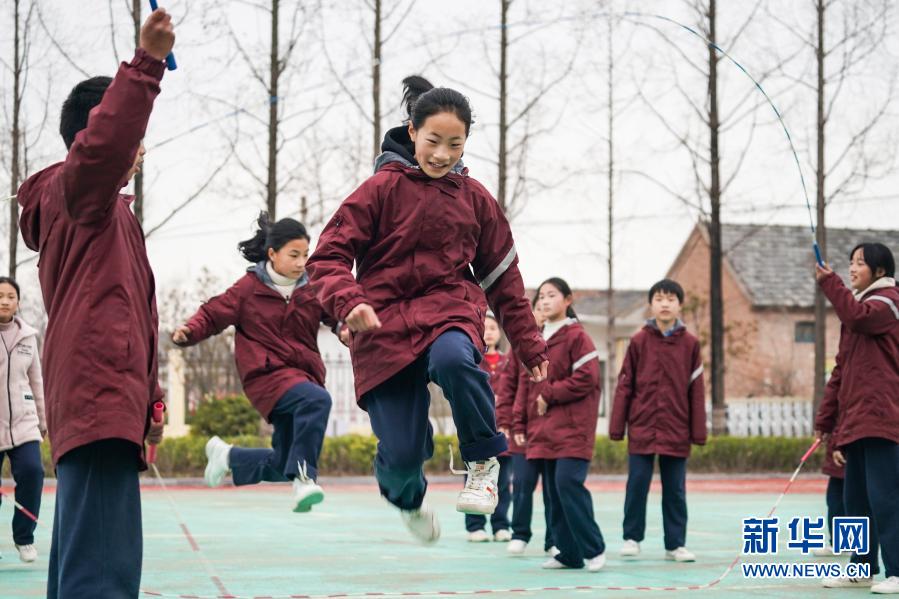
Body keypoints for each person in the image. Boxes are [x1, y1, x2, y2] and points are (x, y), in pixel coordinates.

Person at [306, 75, 548, 544]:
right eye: (433, 141)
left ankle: (482, 462)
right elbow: (328, 258)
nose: (442, 155)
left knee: (455, 358)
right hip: (382, 325)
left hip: (448, 310)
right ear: (413, 132)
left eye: (455, 145)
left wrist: (529, 342)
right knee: (401, 454)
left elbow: (503, 279)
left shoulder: (475, 199)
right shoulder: (377, 191)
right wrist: (348, 302)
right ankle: (408, 497)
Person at [16, 8, 174, 597]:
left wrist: (150, 401)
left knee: (85, 553)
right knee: (103, 569)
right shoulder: (81, 193)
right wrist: (146, 65)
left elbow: (131, 314)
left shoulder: (101, 215)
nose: (140, 152)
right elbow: (101, 150)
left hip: (106, 396)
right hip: (98, 392)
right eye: (134, 139)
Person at [173, 213, 339, 512]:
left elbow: (334, 315)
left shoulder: (311, 287)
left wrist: (347, 330)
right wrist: (189, 332)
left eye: (305, 255)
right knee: (318, 402)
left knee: (280, 464)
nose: (302, 262)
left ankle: (227, 456)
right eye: (294, 255)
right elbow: (213, 314)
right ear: (272, 254)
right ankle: (305, 478)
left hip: (303, 376)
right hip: (266, 375)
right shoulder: (248, 289)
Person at [815, 242, 899, 593]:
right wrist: (826, 422)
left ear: (880, 271)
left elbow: (856, 316)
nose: (852, 269)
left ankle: (896, 570)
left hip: (882, 418)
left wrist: (829, 282)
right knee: (856, 500)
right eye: (850, 263)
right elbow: (841, 370)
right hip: (855, 421)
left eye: (860, 263)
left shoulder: (888, 303)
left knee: (886, 497)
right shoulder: (858, 309)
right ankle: (861, 566)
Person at [609, 278, 706, 563]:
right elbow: (625, 385)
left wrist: (697, 432)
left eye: (671, 299)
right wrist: (618, 427)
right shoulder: (638, 341)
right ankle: (631, 538)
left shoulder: (690, 344)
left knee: (675, 490)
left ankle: (676, 544)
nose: (665, 304)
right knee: (637, 485)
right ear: (651, 305)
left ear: (680, 304)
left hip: (677, 428)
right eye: (659, 299)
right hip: (642, 426)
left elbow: (696, 390)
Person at [514, 277, 605, 572]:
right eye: (540, 296)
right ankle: (568, 553)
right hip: (543, 430)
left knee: (568, 484)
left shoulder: (577, 336)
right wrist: (522, 423)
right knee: (553, 492)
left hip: (572, 429)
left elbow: (588, 377)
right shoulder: (537, 339)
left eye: (551, 295)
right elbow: (526, 387)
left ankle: (594, 548)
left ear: (568, 300)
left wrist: (549, 394)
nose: (544, 300)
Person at [502, 298, 555, 556]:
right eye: (540, 302)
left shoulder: (563, 341)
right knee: (522, 482)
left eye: (549, 300)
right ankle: (520, 534)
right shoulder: (520, 345)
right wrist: (505, 421)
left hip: (553, 428)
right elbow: (507, 386)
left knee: (553, 489)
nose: (544, 307)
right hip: (522, 428)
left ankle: (553, 540)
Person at [0, 277, 45, 563]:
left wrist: (43, 418)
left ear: (18, 302)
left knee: (33, 472)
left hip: (23, 422)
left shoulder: (28, 336)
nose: (4, 300)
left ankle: (24, 537)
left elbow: (36, 379)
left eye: (10, 296)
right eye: (0, 295)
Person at [465, 312, 513, 542]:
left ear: (500, 333)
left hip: (503, 430)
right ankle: (475, 526)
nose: (489, 332)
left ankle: (500, 525)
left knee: (503, 482)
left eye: (493, 328)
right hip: (477, 431)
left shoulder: (508, 362)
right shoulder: (471, 360)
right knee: (475, 477)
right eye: (485, 328)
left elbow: (512, 396)